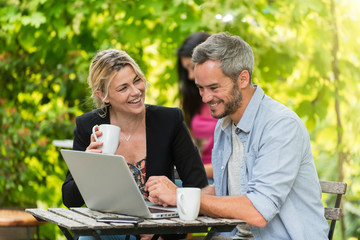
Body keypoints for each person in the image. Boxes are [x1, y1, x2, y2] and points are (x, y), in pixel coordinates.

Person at [145, 32, 329, 239]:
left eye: (214, 87)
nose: (205, 98)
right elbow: (225, 191)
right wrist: (166, 197)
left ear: (242, 78)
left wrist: (181, 195)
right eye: (200, 88)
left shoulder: (280, 126)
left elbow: (258, 211)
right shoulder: (225, 124)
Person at [62, 49, 208, 240]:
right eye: (123, 88)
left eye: (137, 80)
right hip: (107, 232)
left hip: (158, 234)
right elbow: (69, 199)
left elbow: (199, 186)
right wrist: (89, 166)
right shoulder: (89, 126)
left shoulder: (169, 121)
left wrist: (162, 231)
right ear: (103, 95)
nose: (136, 91)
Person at [177, 32, 217, 180]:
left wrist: (192, 170)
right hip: (197, 176)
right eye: (186, 69)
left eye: (191, 67)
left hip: (217, 177)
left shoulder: (227, 100)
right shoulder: (197, 100)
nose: (190, 76)